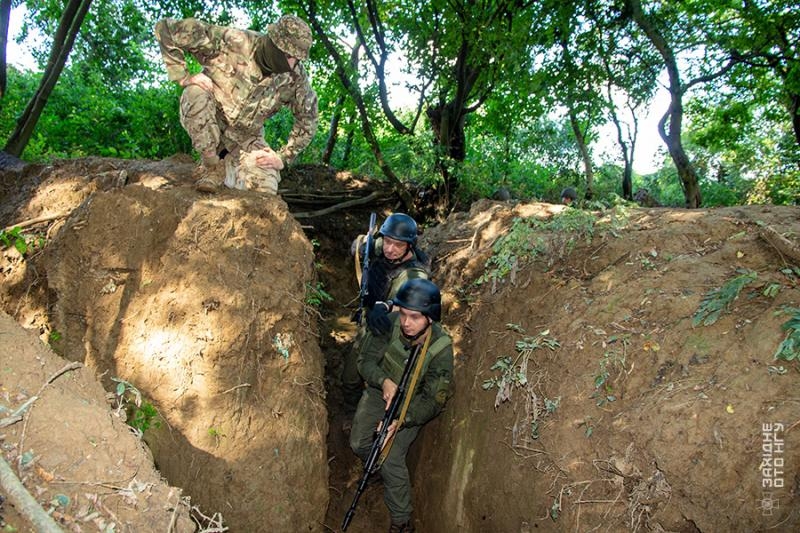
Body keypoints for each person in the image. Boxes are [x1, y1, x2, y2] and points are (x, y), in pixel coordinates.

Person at [154, 15, 318, 195]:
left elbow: (308, 118)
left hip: (246, 137)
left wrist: (283, 157)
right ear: (274, 44)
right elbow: (166, 28)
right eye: (288, 56)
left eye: (297, 58)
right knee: (195, 93)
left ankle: (228, 169)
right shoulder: (233, 41)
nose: (292, 63)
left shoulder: (295, 75)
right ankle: (211, 166)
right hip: (210, 119)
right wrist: (183, 76)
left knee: (266, 190)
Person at [349, 278, 454, 533]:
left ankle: (401, 521)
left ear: (430, 317)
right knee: (359, 443)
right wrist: (383, 381)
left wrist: (400, 421)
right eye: (404, 314)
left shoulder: (441, 348)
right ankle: (374, 472)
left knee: (390, 457)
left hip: (412, 405)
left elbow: (433, 400)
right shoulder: (391, 324)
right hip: (380, 392)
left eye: (415, 317)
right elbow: (365, 361)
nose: (407, 322)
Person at [343, 213, 430, 419]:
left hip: (391, 331)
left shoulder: (414, 274)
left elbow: (416, 303)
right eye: (388, 242)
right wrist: (360, 246)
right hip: (368, 320)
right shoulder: (385, 245)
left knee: (377, 377)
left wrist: (387, 307)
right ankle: (348, 410)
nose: (390, 249)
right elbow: (363, 243)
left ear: (409, 245)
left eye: (398, 245)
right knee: (349, 378)